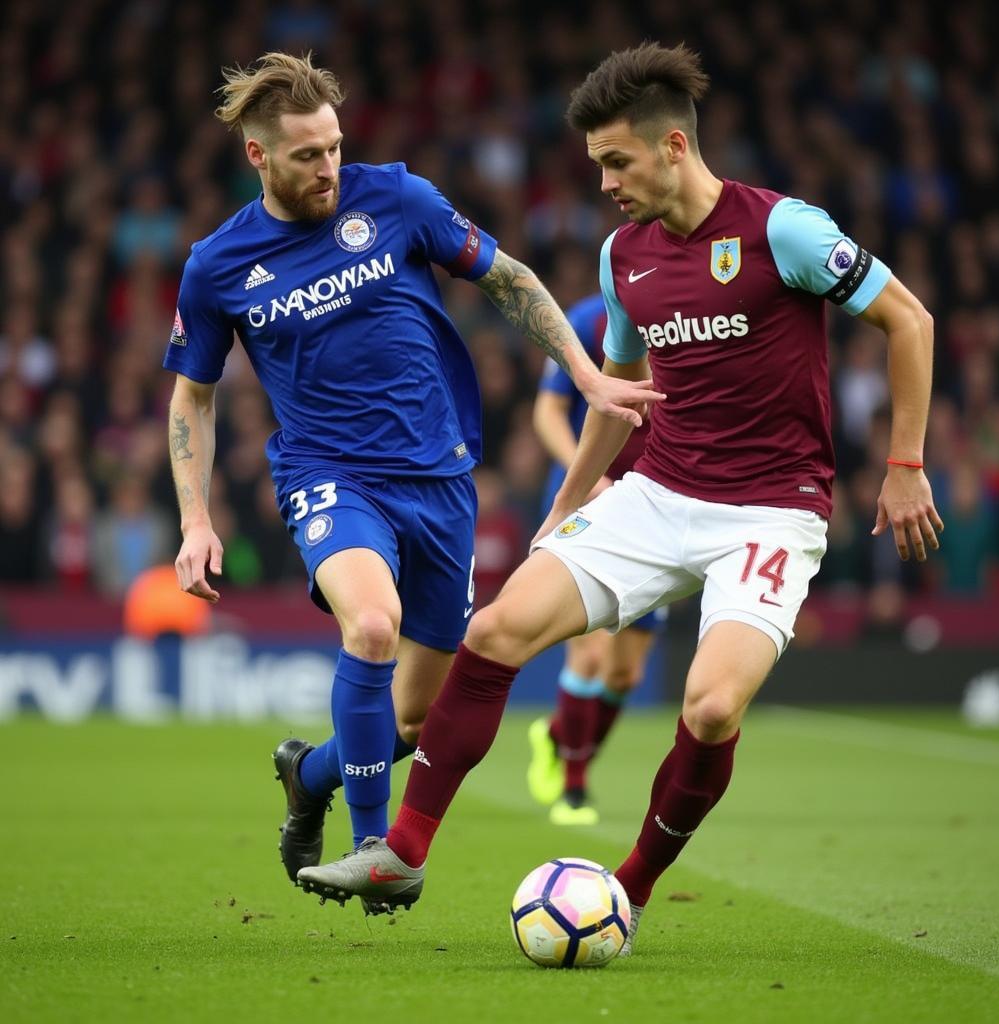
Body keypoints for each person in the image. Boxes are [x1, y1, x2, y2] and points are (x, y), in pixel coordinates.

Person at [294, 42, 944, 955]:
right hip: (657, 491)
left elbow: (908, 319)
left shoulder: (784, 231)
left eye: (616, 161)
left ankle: (627, 887)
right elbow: (618, 390)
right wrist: (564, 508)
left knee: (711, 709)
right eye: (597, 163)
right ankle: (402, 850)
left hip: (770, 510)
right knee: (494, 633)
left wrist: (906, 461)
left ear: (674, 146)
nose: (603, 182)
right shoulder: (622, 256)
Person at [163, 52, 661, 899]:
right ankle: (375, 850)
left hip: (440, 481)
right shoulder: (218, 265)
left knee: (414, 720)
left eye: (333, 148)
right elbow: (193, 399)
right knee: (371, 628)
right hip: (329, 475)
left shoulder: (395, 197)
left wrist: (585, 375)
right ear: (258, 158)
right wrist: (195, 521)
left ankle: (311, 774)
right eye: (306, 156)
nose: (328, 168)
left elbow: (508, 278)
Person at [527, 291, 666, 826]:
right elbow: (548, 410)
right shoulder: (588, 321)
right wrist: (589, 477)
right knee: (587, 655)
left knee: (625, 674)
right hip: (587, 494)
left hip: (654, 502)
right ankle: (574, 789)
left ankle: (560, 735)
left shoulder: (695, 312)